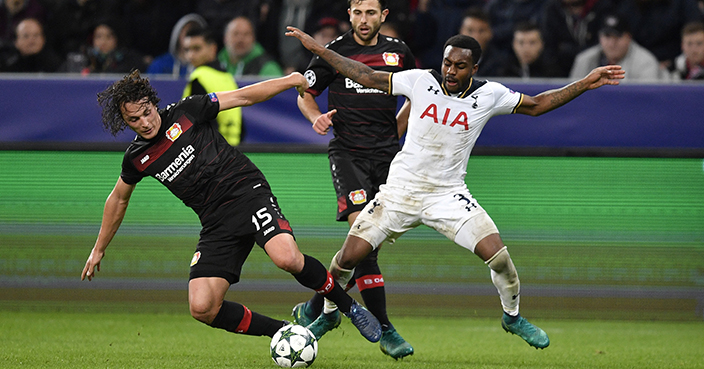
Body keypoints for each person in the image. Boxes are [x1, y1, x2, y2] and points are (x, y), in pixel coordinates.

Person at [286, 25, 624, 350]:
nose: (450, 71)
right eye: (447, 62)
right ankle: (330, 315)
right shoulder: (421, 81)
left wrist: (584, 83)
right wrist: (318, 49)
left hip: (447, 195)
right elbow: (365, 75)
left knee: (500, 258)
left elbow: (537, 106)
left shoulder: (489, 94)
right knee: (346, 259)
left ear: (474, 68)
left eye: (459, 66)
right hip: (399, 192)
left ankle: (513, 318)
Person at [81, 69, 383, 348]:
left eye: (147, 112)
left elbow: (244, 96)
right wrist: (98, 249)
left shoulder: (186, 112)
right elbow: (118, 199)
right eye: (134, 120)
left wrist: (290, 79)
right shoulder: (137, 157)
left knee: (287, 258)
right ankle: (284, 332)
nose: (145, 122)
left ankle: (348, 307)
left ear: (153, 103)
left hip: (246, 193)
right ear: (125, 122)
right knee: (202, 307)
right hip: (215, 221)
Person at [290, 0, 416, 360]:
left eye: (371, 13)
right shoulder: (335, 52)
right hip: (348, 154)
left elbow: (418, 95)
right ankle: (384, 328)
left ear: (383, 17)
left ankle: (320, 307)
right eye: (358, 12)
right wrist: (315, 116)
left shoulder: (399, 53)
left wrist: (397, 129)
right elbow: (305, 92)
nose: (364, 20)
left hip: (389, 160)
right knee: (365, 234)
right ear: (349, 14)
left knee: (365, 244)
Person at [182, 27, 243, 146]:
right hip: (234, 151)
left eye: (197, 49)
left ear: (213, 48)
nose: (191, 55)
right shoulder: (228, 78)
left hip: (212, 154)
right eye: (187, 50)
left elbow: (203, 123)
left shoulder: (199, 77)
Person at [570, 14, 660, 81]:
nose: (612, 43)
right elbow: (572, 96)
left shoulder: (646, 63)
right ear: (599, 37)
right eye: (607, 36)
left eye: (618, 36)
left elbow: (647, 101)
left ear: (629, 37)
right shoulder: (584, 60)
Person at [540, 0, 616, 77]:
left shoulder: (603, 7)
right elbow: (549, 46)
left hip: (596, 68)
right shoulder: (552, 8)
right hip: (560, 71)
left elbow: (602, 42)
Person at [59, 18, 147, 74]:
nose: (103, 42)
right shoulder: (82, 60)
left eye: (108, 37)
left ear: (117, 39)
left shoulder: (130, 60)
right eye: (98, 37)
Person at [218, 15, 283, 78]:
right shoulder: (216, 64)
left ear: (253, 39)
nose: (240, 39)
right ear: (225, 38)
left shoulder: (268, 68)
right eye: (235, 34)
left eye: (246, 34)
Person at [146, 13, 208, 78]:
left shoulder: (208, 68)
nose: (192, 38)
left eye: (196, 32)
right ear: (178, 34)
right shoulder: (160, 65)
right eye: (188, 33)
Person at [458, 7, 507, 77]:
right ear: (461, 31)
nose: (475, 36)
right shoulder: (448, 59)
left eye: (481, 31)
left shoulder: (501, 64)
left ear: (490, 33)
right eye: (470, 30)